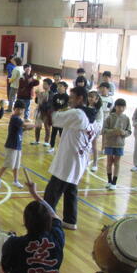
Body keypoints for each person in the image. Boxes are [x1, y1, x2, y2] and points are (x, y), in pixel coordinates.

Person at [42, 86, 99, 230]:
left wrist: (47, 105)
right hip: (81, 159)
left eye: (72, 97)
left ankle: (45, 222)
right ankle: (70, 220)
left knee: (52, 192)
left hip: (69, 160)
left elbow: (54, 119)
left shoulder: (78, 114)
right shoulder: (93, 117)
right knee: (70, 190)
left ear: (80, 98)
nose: (69, 100)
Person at [0, 100, 33, 189]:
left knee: (16, 165)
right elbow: (25, 125)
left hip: (18, 145)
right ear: (14, 109)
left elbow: (22, 129)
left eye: (22, 109)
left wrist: (27, 128)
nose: (20, 111)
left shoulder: (19, 119)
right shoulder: (15, 118)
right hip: (11, 145)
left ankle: (15, 181)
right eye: (18, 109)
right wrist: (34, 125)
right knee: (7, 163)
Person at [102, 98, 131, 190]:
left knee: (117, 163)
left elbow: (129, 131)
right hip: (109, 143)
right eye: (119, 106)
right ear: (115, 107)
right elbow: (104, 130)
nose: (121, 109)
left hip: (119, 144)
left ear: (125, 107)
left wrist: (124, 133)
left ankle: (114, 182)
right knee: (109, 162)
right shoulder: (110, 117)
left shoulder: (126, 118)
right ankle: (109, 180)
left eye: (123, 107)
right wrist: (113, 131)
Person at [47, 82, 69, 153]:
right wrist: (53, 111)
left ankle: (63, 148)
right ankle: (52, 147)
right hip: (56, 116)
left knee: (62, 133)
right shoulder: (55, 96)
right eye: (58, 86)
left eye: (61, 86)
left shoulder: (67, 97)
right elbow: (52, 105)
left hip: (63, 117)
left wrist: (62, 110)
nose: (59, 87)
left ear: (65, 87)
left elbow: (68, 107)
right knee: (53, 132)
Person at [31, 78, 52, 146]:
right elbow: (36, 101)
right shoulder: (42, 93)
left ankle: (46, 141)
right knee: (37, 126)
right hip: (40, 111)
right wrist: (37, 96)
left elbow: (49, 104)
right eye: (43, 84)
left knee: (47, 127)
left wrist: (42, 104)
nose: (43, 85)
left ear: (49, 85)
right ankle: (37, 140)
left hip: (46, 112)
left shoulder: (51, 94)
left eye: (45, 84)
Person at [87, 90, 104, 171]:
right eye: (89, 97)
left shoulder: (98, 109)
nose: (90, 98)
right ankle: (86, 160)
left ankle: (95, 163)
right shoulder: (86, 106)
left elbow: (99, 121)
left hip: (94, 129)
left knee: (94, 146)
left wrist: (94, 128)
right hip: (86, 129)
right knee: (86, 146)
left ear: (96, 99)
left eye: (92, 97)